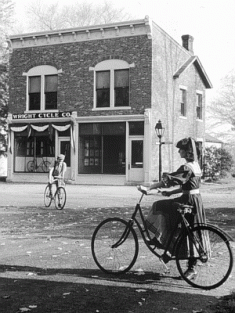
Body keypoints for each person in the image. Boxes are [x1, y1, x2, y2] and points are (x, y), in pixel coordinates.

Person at [138, 137, 206, 279]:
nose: (179, 151)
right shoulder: (196, 165)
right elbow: (188, 187)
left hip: (188, 201)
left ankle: (161, 239)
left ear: (188, 152)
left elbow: (168, 181)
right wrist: (170, 193)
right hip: (194, 199)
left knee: (160, 206)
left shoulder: (187, 168)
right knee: (187, 229)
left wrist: (149, 187)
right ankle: (170, 248)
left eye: (181, 149)